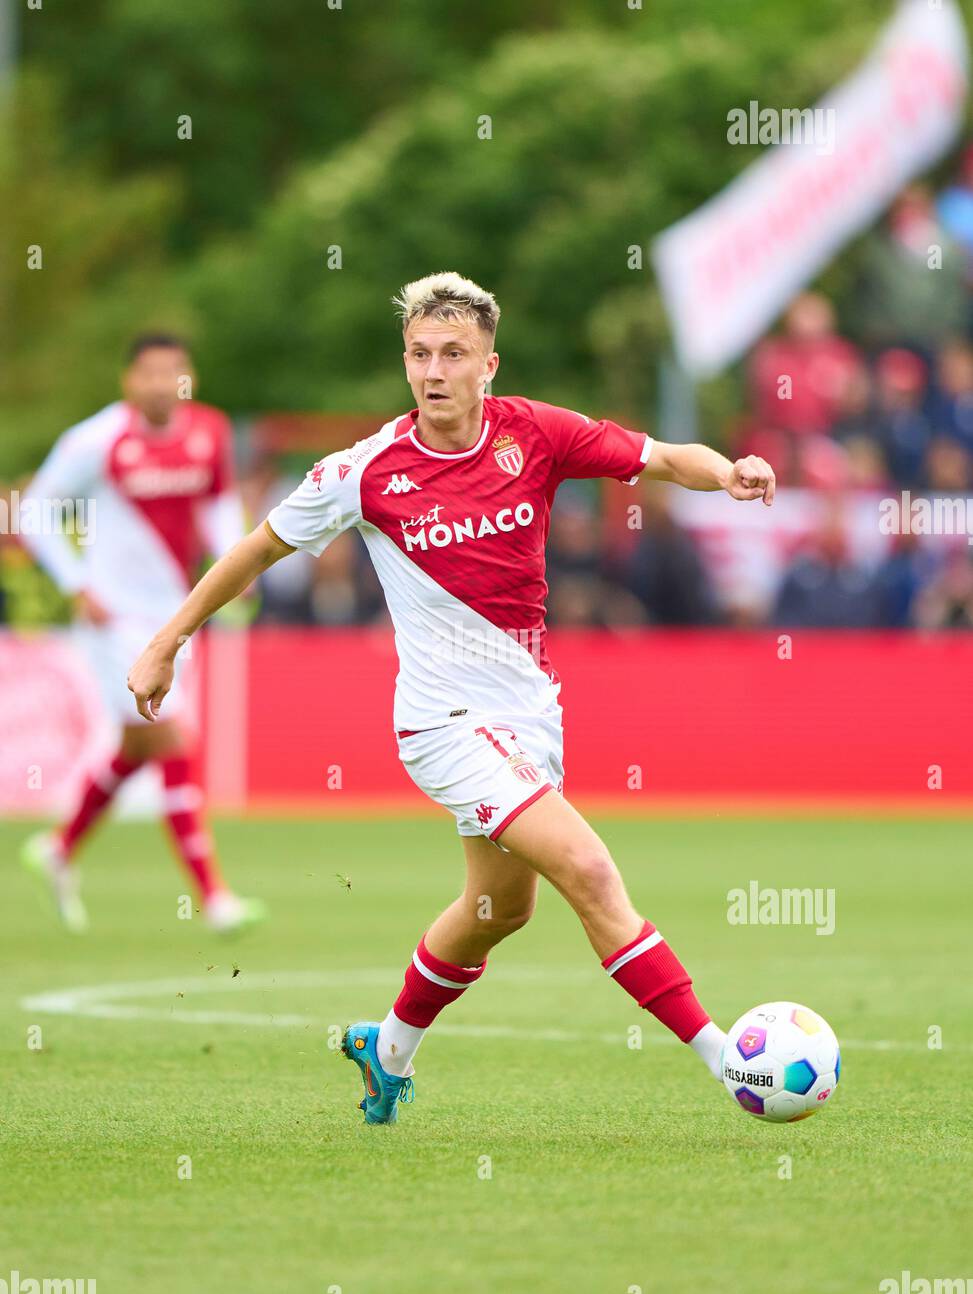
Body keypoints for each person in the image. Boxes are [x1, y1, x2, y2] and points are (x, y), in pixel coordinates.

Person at [127, 274, 776, 1124]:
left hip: (528, 713)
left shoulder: (535, 433)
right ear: (406, 362)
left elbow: (657, 457)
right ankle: (729, 1060)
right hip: (442, 722)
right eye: (420, 354)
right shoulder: (362, 472)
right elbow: (255, 551)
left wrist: (728, 471)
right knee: (587, 868)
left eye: (453, 355)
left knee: (496, 909)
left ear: (486, 366)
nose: (434, 370)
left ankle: (385, 1047)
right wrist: (167, 639)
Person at [20, 333, 264, 934]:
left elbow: (215, 505)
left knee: (137, 746)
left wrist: (238, 565)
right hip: (116, 620)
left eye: (173, 373)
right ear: (130, 381)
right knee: (173, 737)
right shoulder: (97, 440)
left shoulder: (208, 432)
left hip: (180, 614)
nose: (162, 384)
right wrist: (77, 582)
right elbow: (35, 508)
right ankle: (213, 897)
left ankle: (59, 848)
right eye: (149, 374)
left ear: (190, 380)